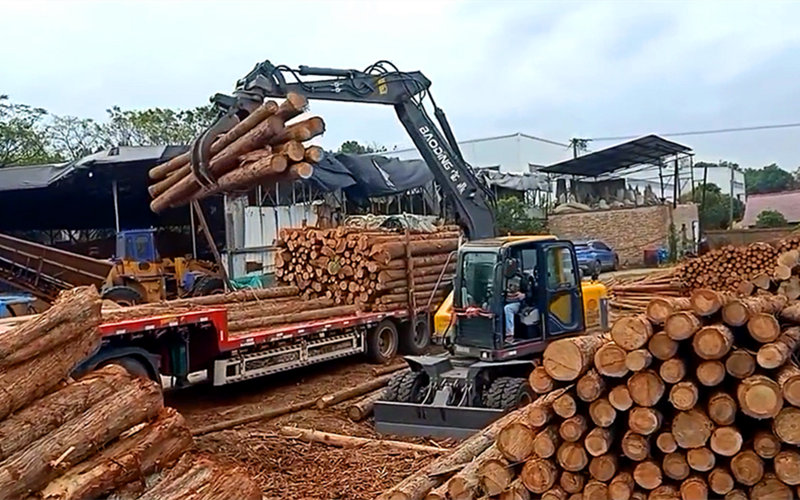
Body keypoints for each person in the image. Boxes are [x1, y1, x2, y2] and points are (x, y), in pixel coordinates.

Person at [504, 275, 525, 344]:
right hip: (504, 301)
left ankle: (510, 335)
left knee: (508, 308)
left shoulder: (519, 278)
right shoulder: (501, 276)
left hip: (518, 303)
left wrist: (523, 295)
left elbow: (523, 294)